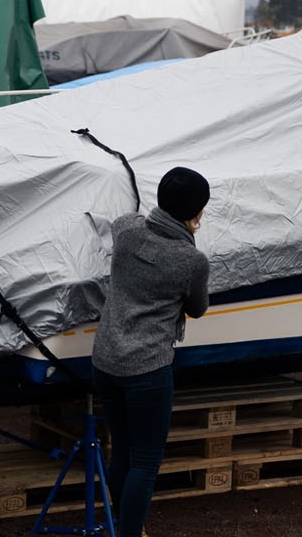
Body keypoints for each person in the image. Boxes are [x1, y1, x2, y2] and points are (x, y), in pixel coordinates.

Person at [92, 166, 211, 536]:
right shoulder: (191, 260)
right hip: (147, 369)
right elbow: (197, 308)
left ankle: (125, 528)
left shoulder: (127, 230)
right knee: (145, 462)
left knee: (122, 451)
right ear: (197, 212)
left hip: (106, 360)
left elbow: (130, 221)